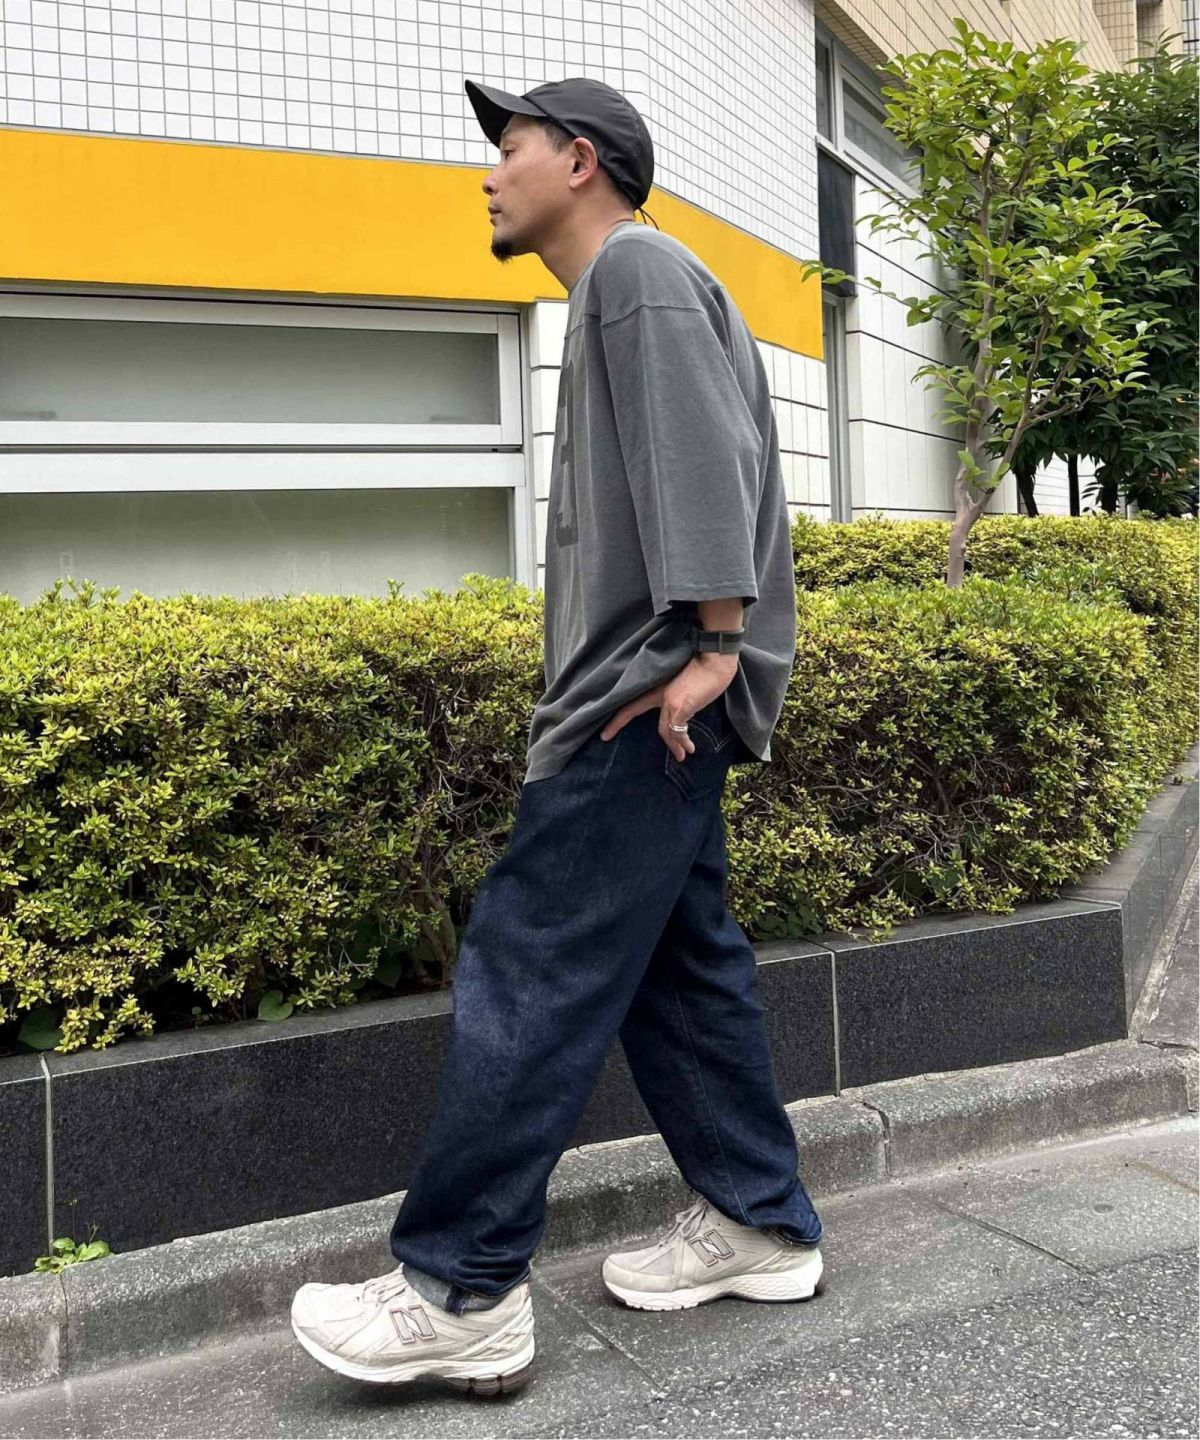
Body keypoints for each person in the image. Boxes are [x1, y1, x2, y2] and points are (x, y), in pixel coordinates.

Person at [291, 75, 824, 1394]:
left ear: (579, 161)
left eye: (510, 147)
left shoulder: (636, 273)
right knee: (680, 973)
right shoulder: (626, 288)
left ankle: (461, 1289)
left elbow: (706, 464)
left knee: (526, 970)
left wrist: (713, 648)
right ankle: (759, 1222)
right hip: (656, 690)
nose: (489, 173)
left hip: (642, 699)